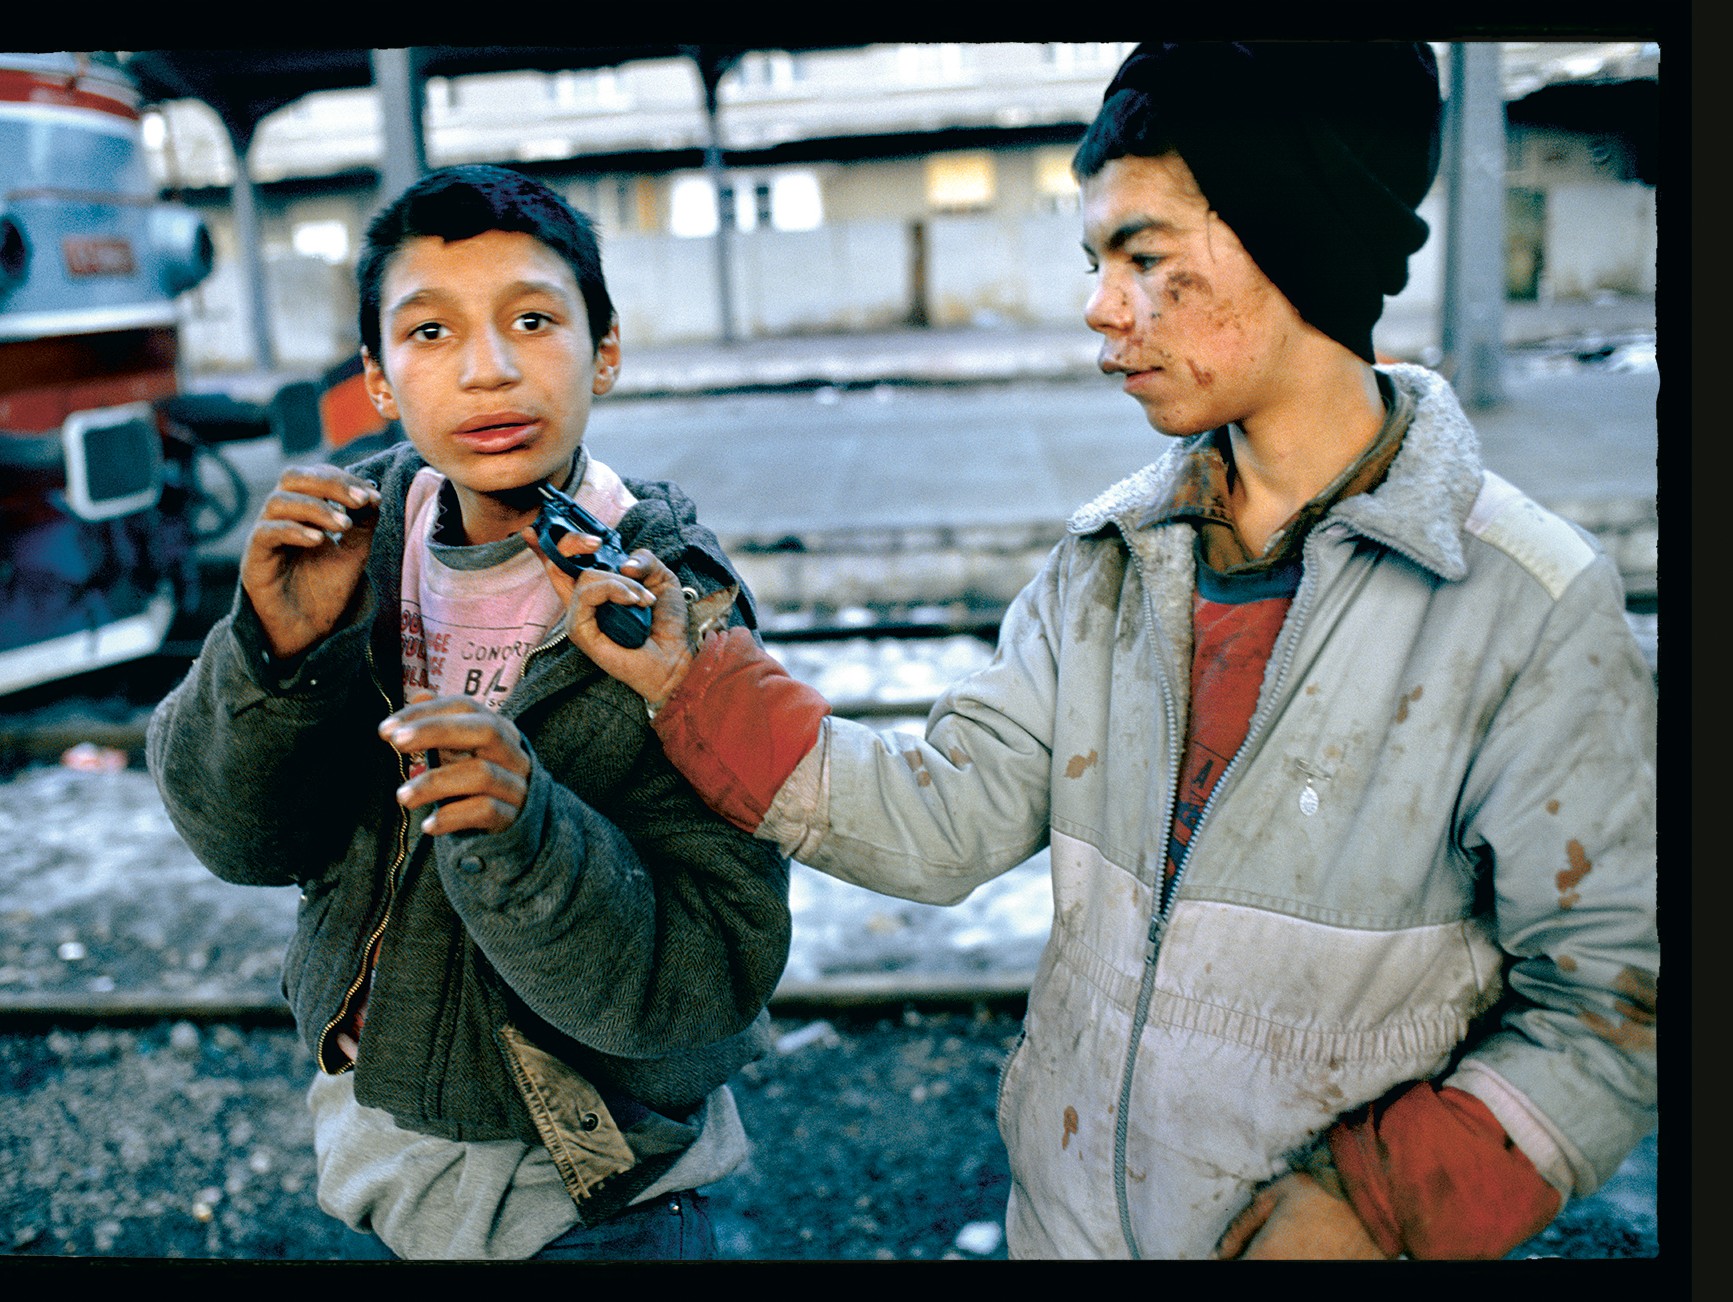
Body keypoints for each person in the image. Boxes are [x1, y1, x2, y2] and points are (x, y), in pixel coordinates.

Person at [534, 43, 1656, 1260]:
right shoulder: (1109, 566)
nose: (1097, 305)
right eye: (1094, 262)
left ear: (1298, 237)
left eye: (1143, 257)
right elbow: (944, 819)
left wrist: (1379, 1203)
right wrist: (694, 679)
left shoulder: (1522, 603)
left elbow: (1614, 1001)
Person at [146, 165, 791, 1261]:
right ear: (378, 380)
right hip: (372, 1163)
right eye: (431, 332)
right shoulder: (353, 549)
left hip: (595, 1197)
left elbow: (715, 970)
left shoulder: (674, 606)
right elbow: (243, 842)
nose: (488, 368)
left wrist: (524, 832)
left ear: (606, 350)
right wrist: (277, 656)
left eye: (532, 319)